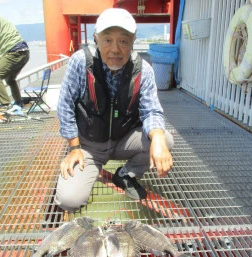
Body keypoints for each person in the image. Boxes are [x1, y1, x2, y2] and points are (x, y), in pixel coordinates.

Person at [55, 8, 174, 212]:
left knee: (165, 139)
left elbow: (151, 110)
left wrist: (159, 140)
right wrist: (74, 147)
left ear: (133, 42)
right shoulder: (80, 62)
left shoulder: (143, 70)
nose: (115, 49)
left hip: (123, 140)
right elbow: (65, 105)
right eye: (108, 40)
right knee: (69, 201)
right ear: (96, 39)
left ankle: (126, 173)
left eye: (123, 41)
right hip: (89, 146)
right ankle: (87, 168)